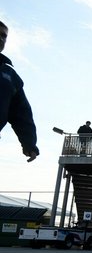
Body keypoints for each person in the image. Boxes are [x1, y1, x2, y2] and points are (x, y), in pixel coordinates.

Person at [0, 20, 39, 162]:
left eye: (3, 36)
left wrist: (29, 143)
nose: (0, 38)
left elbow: (21, 113)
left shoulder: (10, 77)